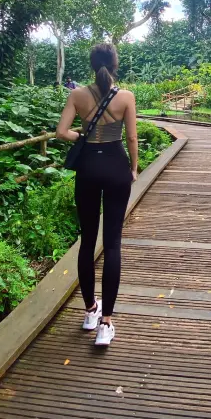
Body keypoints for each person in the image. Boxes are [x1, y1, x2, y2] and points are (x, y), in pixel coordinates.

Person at [56, 43, 138, 346]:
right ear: (115, 64)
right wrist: (134, 168)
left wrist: (82, 135)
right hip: (116, 167)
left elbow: (61, 132)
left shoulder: (77, 95)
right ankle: (106, 323)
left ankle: (90, 310)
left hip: (88, 168)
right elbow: (131, 136)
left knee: (87, 241)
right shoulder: (126, 97)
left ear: (92, 65)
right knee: (112, 243)